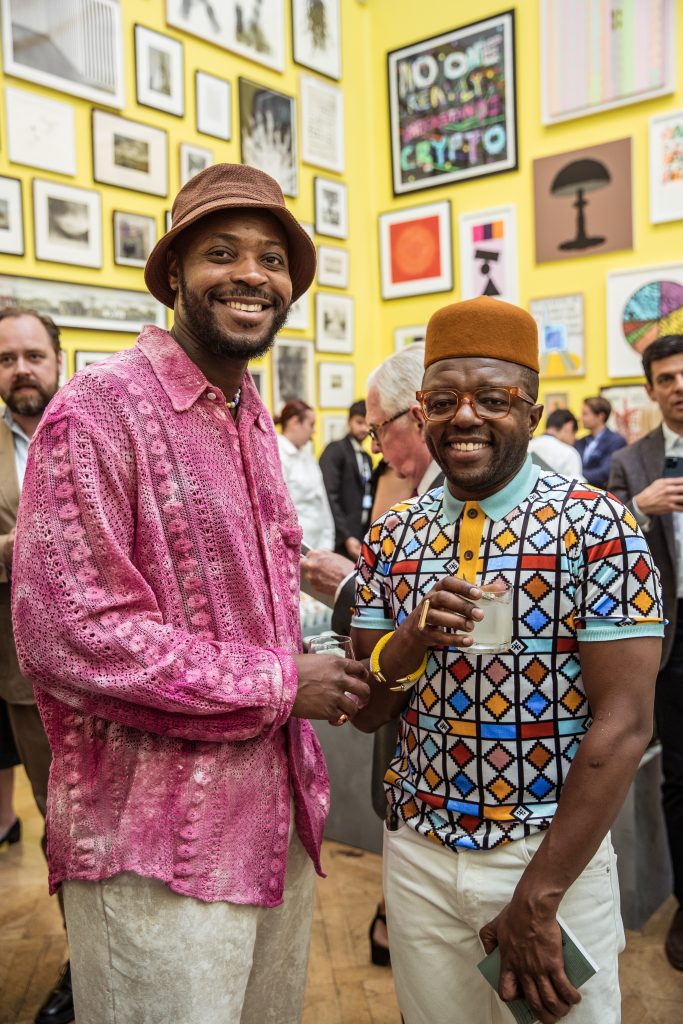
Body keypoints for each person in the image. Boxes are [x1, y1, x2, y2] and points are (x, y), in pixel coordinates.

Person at [11, 163, 370, 1024]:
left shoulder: (246, 413)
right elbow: (71, 635)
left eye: (273, 259)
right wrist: (285, 684)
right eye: (221, 252)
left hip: (273, 826)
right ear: (173, 272)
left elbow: (259, 606)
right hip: (154, 844)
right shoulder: (97, 410)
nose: (252, 275)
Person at [351, 296, 663, 1024]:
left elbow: (623, 724)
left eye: (492, 399)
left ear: (529, 411)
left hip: (550, 854)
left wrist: (539, 894)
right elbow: (367, 710)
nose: (463, 417)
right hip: (419, 854)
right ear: (420, 411)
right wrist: (411, 638)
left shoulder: (597, 527)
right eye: (441, 400)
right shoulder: (392, 537)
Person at [0, 307, 73, 1024]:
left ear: (58, 358)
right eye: (6, 358)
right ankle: (80, 963)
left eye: (32, 355)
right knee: (61, 826)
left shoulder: (95, 425)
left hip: (121, 668)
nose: (22, 369)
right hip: (25, 677)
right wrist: (34, 538)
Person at [608, 334, 683, 972]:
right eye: (666, 378)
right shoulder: (632, 464)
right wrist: (638, 506)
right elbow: (596, 544)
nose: (678, 385)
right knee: (679, 778)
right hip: (671, 643)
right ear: (652, 390)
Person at [276, 399, 335, 550]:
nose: (313, 431)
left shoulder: (307, 453)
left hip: (320, 544)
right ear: (295, 422)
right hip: (297, 548)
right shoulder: (277, 455)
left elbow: (322, 500)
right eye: (311, 424)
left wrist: (328, 542)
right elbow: (282, 512)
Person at [319, 400, 374, 559]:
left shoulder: (367, 458)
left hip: (360, 533)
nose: (364, 428)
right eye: (359, 422)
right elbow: (329, 495)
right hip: (340, 538)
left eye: (367, 424)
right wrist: (346, 536)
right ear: (349, 422)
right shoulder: (335, 450)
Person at [575, 396, 626, 488]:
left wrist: (574, 475)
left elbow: (605, 472)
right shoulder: (580, 442)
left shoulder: (616, 441)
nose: (581, 417)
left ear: (600, 416)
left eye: (585, 414)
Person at [529, 408, 583, 478]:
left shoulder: (527, 447)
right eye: (574, 433)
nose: (574, 439)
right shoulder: (569, 453)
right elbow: (576, 485)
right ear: (569, 426)